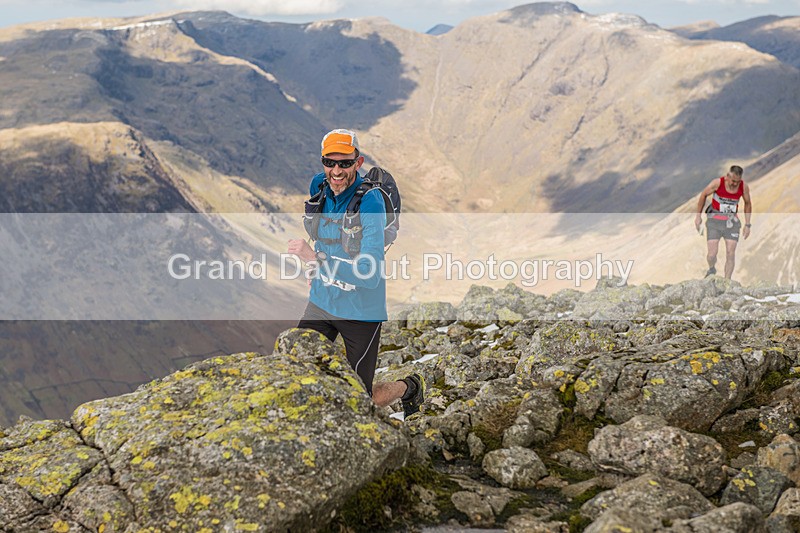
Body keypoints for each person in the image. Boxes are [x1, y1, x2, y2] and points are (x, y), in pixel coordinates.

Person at [287, 128, 424, 418]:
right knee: (293, 374)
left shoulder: (371, 203)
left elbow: (369, 273)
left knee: (360, 402)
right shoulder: (319, 185)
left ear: (358, 163)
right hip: (322, 301)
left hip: (361, 311)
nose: (336, 171)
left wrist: (316, 259)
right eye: (329, 162)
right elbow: (325, 236)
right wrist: (317, 264)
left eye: (345, 163)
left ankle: (408, 387)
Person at [694, 165, 752, 279]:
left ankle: (727, 281)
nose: (735, 184)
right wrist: (698, 216)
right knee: (712, 255)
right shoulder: (717, 183)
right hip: (714, 222)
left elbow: (748, 203)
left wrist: (747, 224)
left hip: (731, 223)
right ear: (727, 176)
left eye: (738, 181)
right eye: (733, 181)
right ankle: (712, 268)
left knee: (730, 253)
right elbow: (703, 195)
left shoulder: (743, 187)